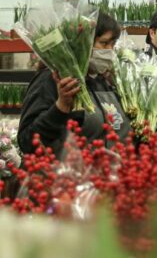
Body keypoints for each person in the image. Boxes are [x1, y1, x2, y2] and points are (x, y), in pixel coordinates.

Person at [17, 11, 132, 156]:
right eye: (103, 43)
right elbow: (26, 141)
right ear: (82, 42)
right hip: (67, 175)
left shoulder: (103, 81)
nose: (110, 51)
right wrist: (60, 108)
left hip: (107, 174)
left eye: (113, 44)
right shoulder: (54, 80)